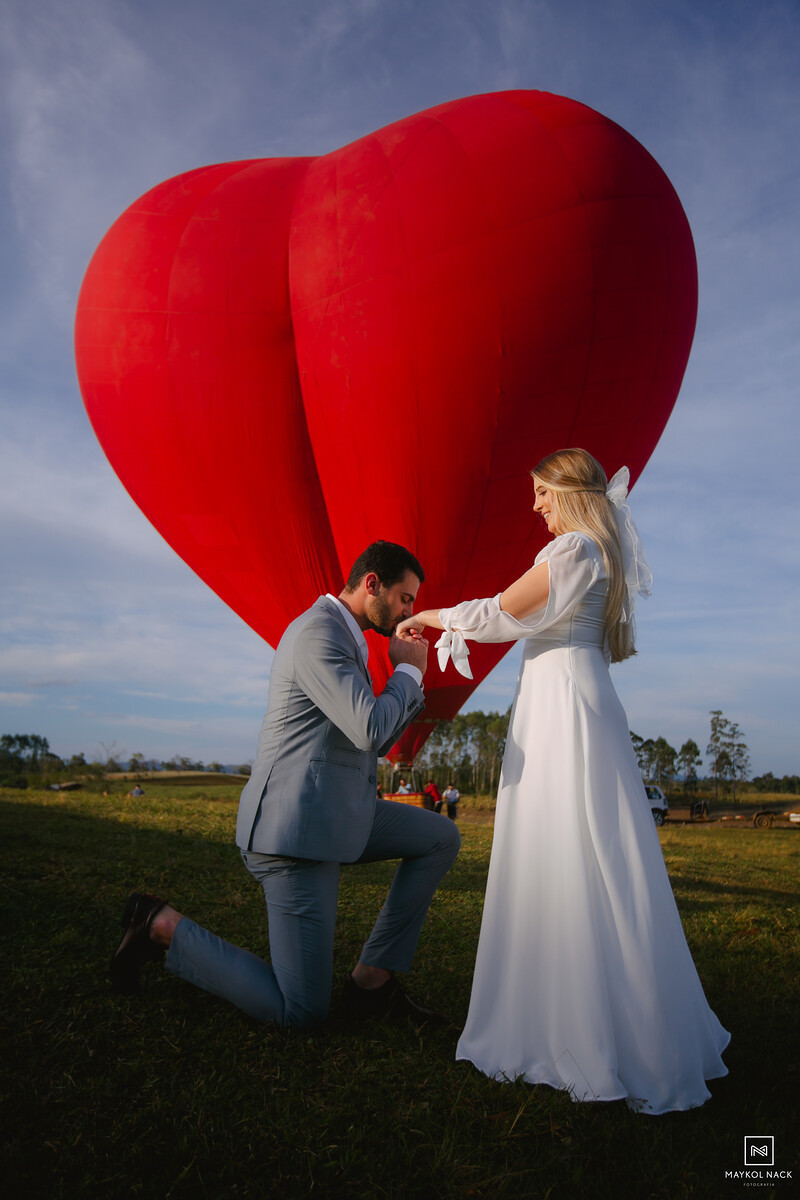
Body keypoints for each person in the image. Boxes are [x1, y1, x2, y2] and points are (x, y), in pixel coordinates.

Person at [398, 449, 729, 1114]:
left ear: (569, 493)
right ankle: (581, 1008)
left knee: (574, 845)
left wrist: (431, 617)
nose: (535, 507)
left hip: (565, 706)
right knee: (585, 845)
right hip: (570, 696)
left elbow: (497, 613)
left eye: (543, 495)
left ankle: (578, 1026)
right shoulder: (588, 553)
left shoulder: (574, 549)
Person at [110, 541, 461, 1029]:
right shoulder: (320, 633)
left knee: (440, 836)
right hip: (295, 832)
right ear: (372, 584)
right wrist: (407, 671)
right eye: (405, 598)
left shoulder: (346, 637)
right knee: (301, 1012)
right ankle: (160, 927)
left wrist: (405, 682)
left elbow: (376, 741)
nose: (410, 610)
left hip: (338, 811)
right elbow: (371, 729)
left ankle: (371, 981)